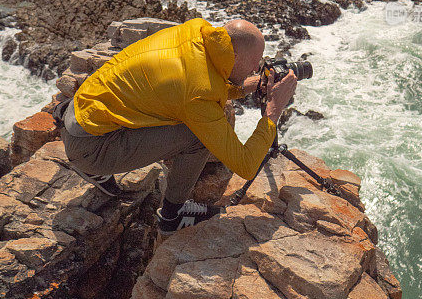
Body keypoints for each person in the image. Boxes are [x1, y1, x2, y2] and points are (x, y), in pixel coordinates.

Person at [54, 17, 297, 234]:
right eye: (254, 63)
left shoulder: (195, 33)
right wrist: (273, 111)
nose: (257, 68)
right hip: (91, 147)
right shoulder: (198, 93)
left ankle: (97, 162)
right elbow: (245, 165)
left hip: (82, 113)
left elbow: (200, 82)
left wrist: (254, 84)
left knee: (190, 115)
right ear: (234, 57)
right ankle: (172, 215)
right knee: (197, 135)